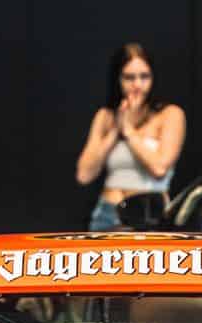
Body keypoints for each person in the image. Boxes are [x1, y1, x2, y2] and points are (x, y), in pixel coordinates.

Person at [75, 42, 185, 231]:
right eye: (129, 77)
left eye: (144, 77)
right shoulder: (106, 116)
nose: (137, 85)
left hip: (148, 215)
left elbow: (159, 168)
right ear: (118, 79)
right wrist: (114, 132)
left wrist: (129, 131)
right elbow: (84, 175)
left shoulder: (169, 114)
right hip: (106, 214)